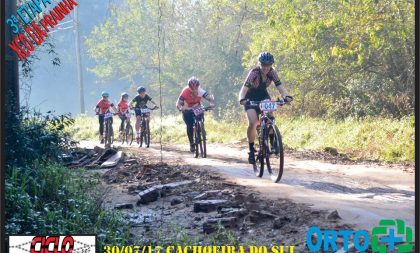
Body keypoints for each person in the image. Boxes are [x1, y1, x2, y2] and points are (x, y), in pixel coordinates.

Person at [238, 52, 293, 164]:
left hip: (263, 95)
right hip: (250, 97)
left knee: (270, 117)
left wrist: (285, 97)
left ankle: (273, 143)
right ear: (260, 63)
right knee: (253, 123)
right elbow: (243, 90)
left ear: (271, 65)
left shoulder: (272, 72)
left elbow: (280, 87)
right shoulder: (254, 73)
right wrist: (242, 99)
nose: (266, 67)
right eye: (263, 64)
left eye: (269, 65)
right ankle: (251, 148)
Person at [176, 76, 215, 152]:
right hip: (187, 109)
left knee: (201, 114)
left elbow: (209, 98)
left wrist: (212, 103)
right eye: (192, 89)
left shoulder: (201, 91)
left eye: (196, 88)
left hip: (197, 107)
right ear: (189, 87)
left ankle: (200, 128)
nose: (194, 90)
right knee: (189, 125)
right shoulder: (185, 91)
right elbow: (178, 103)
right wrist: (180, 108)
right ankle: (191, 143)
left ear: (198, 86)